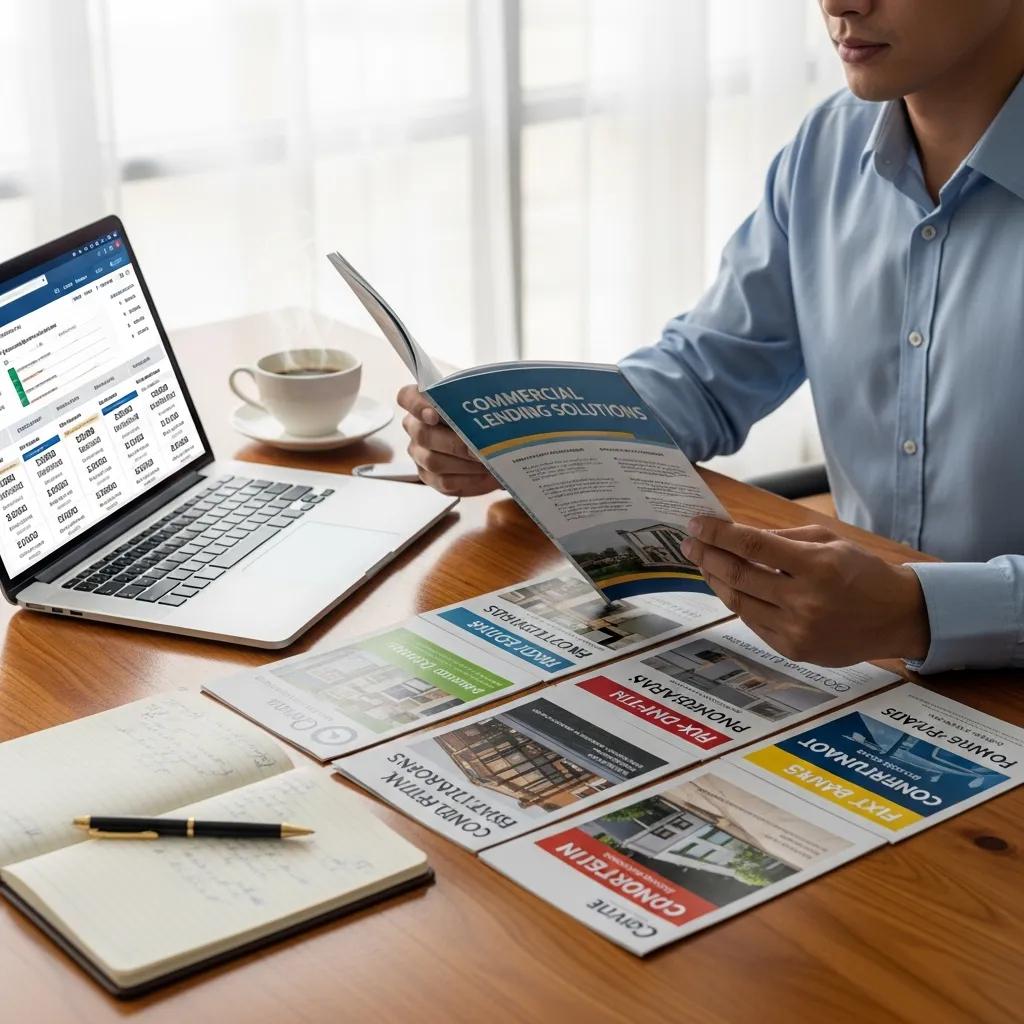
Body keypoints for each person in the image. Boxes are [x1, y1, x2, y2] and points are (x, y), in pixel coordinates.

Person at [397, 0, 1024, 673]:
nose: (840, 4)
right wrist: (529, 439)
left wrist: (919, 610)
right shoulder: (828, 149)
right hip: (871, 670)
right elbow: (706, 372)